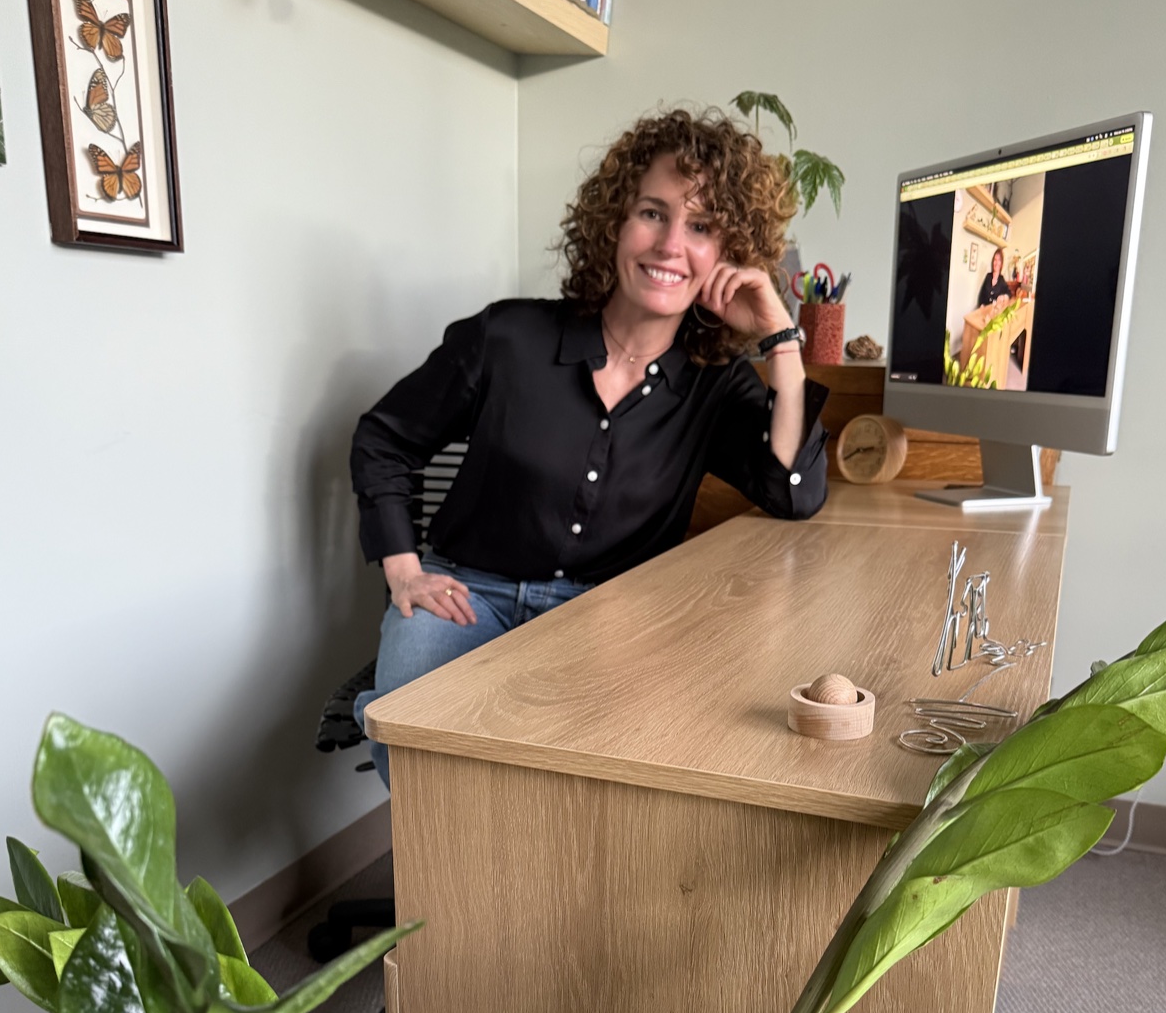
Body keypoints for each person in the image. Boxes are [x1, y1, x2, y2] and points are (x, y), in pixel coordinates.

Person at [350, 107, 830, 787]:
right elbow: (384, 439)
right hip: (467, 593)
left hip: (607, 615)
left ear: (727, 255)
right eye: (653, 212)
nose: (670, 244)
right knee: (417, 743)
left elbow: (794, 490)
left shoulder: (713, 386)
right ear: (614, 221)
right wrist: (402, 568)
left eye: (700, 227)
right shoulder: (507, 338)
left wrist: (779, 339)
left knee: (600, 775)